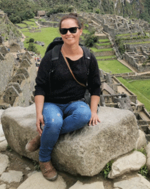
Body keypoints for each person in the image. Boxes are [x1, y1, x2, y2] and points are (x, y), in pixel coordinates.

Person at [25, 14, 101, 181]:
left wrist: (94, 111)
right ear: (60, 33)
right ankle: (44, 160)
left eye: (73, 29)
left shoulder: (88, 57)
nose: (68, 34)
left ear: (80, 31)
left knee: (84, 116)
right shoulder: (51, 57)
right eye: (64, 30)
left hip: (76, 102)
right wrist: (39, 113)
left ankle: (44, 136)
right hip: (52, 103)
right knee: (54, 122)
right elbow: (40, 87)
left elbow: (95, 87)